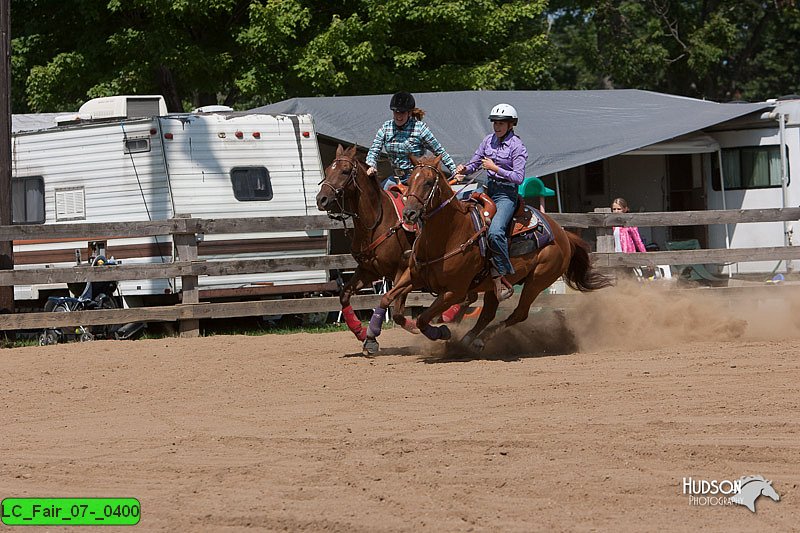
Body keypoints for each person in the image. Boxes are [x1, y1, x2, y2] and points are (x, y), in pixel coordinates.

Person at [454, 103, 528, 301]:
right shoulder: (488, 141)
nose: (497, 126)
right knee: (458, 213)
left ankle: (503, 274)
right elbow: (475, 162)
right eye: (495, 122)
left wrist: (495, 169)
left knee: (495, 232)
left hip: (506, 195)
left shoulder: (517, 147)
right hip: (487, 190)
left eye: (501, 123)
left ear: (511, 124)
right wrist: (464, 169)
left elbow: (519, 177)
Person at [366, 91, 457, 189]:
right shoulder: (386, 128)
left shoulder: (420, 129)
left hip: (417, 179)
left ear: (409, 112)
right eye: (396, 112)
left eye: (402, 112)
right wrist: (371, 165)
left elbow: (439, 151)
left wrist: (455, 171)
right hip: (396, 179)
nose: (398, 116)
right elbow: (374, 151)